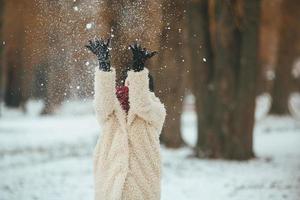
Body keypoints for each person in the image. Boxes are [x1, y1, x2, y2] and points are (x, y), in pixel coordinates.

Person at [86, 38, 166, 200]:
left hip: (142, 183)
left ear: (145, 86)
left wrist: (138, 70)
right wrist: (104, 66)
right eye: (129, 82)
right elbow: (103, 103)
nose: (128, 87)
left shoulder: (156, 110)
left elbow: (140, 103)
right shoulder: (112, 109)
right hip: (110, 179)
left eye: (135, 83)